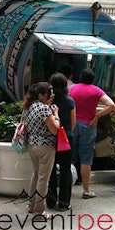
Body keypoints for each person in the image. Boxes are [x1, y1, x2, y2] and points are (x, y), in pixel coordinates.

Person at [70, 68, 115, 199]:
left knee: (69, 158)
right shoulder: (96, 90)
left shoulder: (72, 88)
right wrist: (97, 116)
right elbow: (111, 105)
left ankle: (66, 188)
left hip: (72, 125)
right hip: (88, 126)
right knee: (86, 159)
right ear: (92, 79)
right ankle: (86, 190)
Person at [24, 82, 60, 219]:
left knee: (36, 175)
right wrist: (56, 114)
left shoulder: (30, 106)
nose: (52, 97)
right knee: (43, 179)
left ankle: (31, 205)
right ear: (41, 95)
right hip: (45, 146)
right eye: (49, 94)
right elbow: (55, 129)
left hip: (32, 145)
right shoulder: (45, 109)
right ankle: (40, 210)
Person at [46, 72, 76, 211]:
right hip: (66, 138)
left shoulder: (48, 102)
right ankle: (64, 203)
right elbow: (73, 123)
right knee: (65, 169)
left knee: (50, 169)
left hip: (50, 138)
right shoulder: (70, 101)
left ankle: (51, 201)